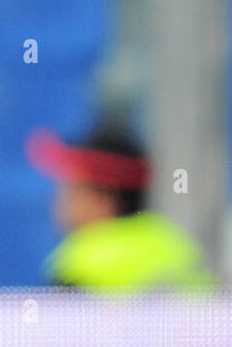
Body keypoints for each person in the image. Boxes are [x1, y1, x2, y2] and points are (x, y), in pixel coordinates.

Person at [26, 120, 215, 291]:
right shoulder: (181, 249)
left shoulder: (79, 265)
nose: (58, 199)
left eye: (70, 188)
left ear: (101, 200)